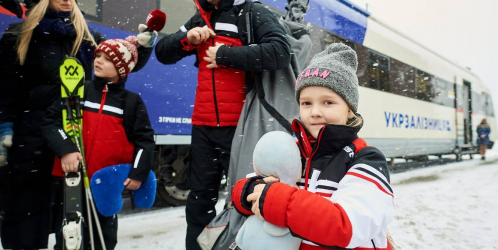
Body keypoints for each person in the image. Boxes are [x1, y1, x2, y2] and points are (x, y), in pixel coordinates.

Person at [0, 0, 155, 248]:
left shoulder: (86, 36)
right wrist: (4, 124)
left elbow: (122, 59)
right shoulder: (21, 34)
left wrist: (144, 46)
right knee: (27, 211)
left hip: (75, 134)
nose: (67, 0)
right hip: (32, 134)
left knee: (73, 215)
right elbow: (5, 86)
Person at [154, 0, 290, 249]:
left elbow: (280, 52)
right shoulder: (201, 18)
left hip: (243, 128)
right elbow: (162, 53)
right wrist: (187, 40)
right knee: (199, 202)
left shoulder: (252, 12)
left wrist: (225, 55)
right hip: (203, 127)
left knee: (247, 199)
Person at [232, 43, 394, 250]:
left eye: (328, 102)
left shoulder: (365, 159)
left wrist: (275, 200)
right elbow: (243, 189)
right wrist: (250, 190)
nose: (315, 112)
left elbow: (348, 226)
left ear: (350, 111)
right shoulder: (292, 149)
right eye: (306, 103)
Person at [42, 36, 155, 250]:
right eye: (98, 56)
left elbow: (145, 141)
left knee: (104, 237)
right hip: (72, 181)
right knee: (69, 235)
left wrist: (138, 173)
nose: (98, 61)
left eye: (108, 58)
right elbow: (51, 122)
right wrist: (65, 149)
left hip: (106, 183)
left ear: (122, 68)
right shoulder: (77, 90)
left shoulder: (131, 102)